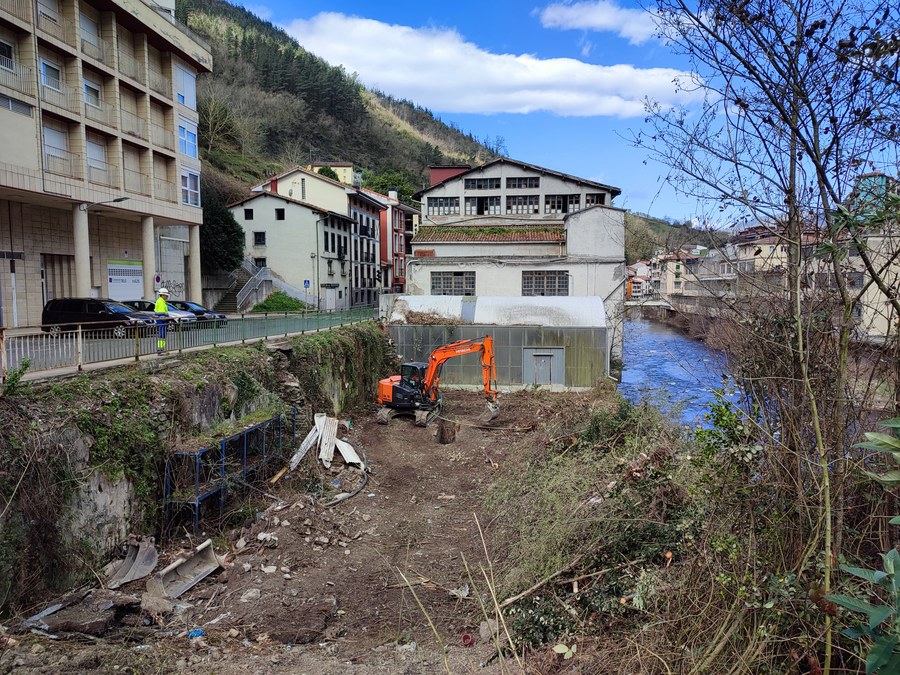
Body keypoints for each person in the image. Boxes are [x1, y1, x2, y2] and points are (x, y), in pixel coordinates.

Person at [155, 287, 170, 355]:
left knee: (163, 335)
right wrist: (168, 318)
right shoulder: (161, 302)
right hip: (162, 321)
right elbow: (161, 314)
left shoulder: (161, 301)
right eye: (166, 295)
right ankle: (160, 349)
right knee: (162, 335)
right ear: (162, 295)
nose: (167, 296)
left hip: (162, 321)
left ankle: (162, 349)